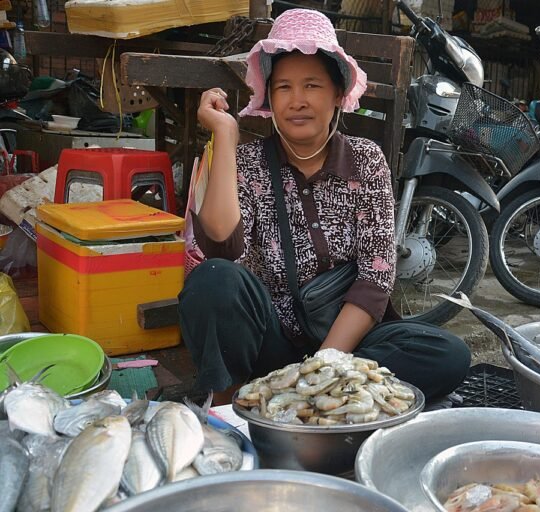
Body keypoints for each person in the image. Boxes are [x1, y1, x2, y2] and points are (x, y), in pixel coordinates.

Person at [179, 8, 471, 405]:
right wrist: (226, 138)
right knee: (214, 278)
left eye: (312, 85)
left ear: (337, 94)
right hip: (272, 343)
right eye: (283, 87)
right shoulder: (249, 163)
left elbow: (375, 279)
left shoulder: (366, 160)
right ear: (270, 97)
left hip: (350, 346)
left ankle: (316, 395)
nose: (297, 101)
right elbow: (222, 247)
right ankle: (232, 407)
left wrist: (322, 368)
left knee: (448, 354)